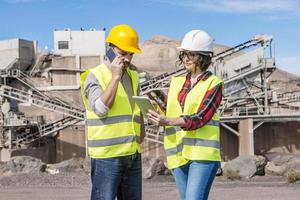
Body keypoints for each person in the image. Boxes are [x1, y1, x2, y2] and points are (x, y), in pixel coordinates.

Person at [147, 30, 223, 200]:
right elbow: (170, 110)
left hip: (202, 155)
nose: (186, 58)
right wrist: (155, 110)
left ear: (203, 57)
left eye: (192, 54)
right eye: (184, 54)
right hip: (177, 152)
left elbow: (201, 117)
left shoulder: (214, 84)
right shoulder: (177, 82)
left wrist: (168, 120)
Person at [80, 24, 145, 200]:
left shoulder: (133, 75)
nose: (128, 59)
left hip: (132, 154)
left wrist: (141, 132)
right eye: (122, 53)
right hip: (107, 157)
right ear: (110, 49)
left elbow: (136, 107)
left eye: (131, 54)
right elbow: (100, 109)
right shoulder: (93, 76)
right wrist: (115, 77)